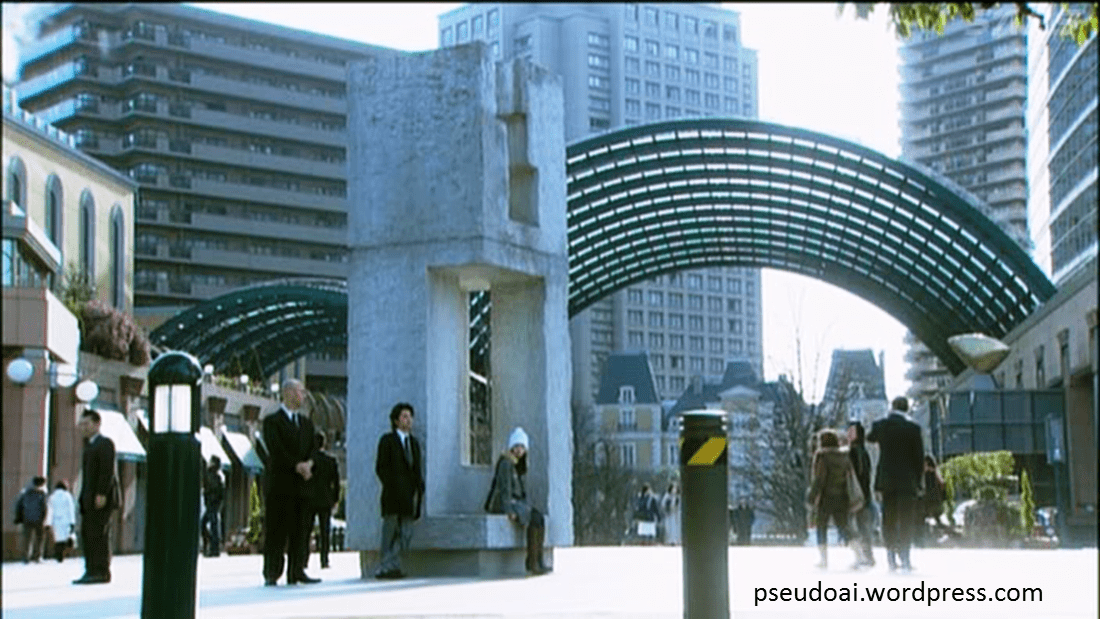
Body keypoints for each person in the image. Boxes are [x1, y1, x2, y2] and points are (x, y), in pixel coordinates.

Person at [261, 379, 320, 586]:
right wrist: (297, 465)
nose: (302, 395)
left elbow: (314, 448)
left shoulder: (306, 423)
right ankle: (272, 571)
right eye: (299, 391)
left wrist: (309, 464)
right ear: (286, 393)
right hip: (280, 486)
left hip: (302, 487)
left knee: (301, 531)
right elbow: (276, 450)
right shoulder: (272, 422)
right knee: (276, 531)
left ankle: (297, 570)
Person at [867, 396, 925, 572]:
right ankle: (905, 557)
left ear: (892, 407)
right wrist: (918, 481)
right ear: (907, 409)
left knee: (888, 519)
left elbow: (870, 437)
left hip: (887, 481)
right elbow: (919, 458)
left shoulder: (882, 425)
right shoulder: (913, 429)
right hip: (907, 481)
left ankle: (891, 556)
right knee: (906, 519)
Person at [484, 427, 551, 575]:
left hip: (516, 502)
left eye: (522, 447)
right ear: (512, 447)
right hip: (505, 503)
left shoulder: (518, 464)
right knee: (534, 519)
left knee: (538, 517)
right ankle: (532, 562)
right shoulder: (506, 463)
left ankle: (537, 559)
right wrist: (509, 510)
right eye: (517, 446)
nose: (520, 450)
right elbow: (504, 489)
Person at [374, 402, 424, 580]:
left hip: (409, 497)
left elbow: (417, 470)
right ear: (396, 420)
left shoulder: (414, 443)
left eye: (410, 416)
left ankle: (392, 564)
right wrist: (392, 485)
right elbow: (381, 467)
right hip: (392, 496)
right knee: (389, 534)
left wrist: (419, 490)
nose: (408, 420)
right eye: (404, 416)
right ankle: (386, 567)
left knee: (406, 535)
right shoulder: (387, 441)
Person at [74, 409, 120, 584]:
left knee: (99, 534)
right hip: (88, 498)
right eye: (81, 424)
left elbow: (107, 472)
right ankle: (90, 569)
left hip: (102, 498)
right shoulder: (89, 445)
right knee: (88, 534)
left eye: (86, 424)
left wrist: (101, 493)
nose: (83, 427)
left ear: (97, 424)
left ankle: (101, 571)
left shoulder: (105, 443)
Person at [808, 429, 861, 569]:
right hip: (842, 497)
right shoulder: (844, 456)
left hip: (826, 497)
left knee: (821, 527)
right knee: (844, 527)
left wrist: (811, 497)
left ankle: (823, 560)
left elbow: (819, 479)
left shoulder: (822, 456)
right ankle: (858, 554)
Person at [307, 431, 340, 569]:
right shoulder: (330, 461)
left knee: (306, 531)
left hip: (309, 499)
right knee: (324, 531)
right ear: (324, 443)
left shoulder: (309, 461)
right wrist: (335, 499)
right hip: (325, 499)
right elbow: (336, 483)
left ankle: (304, 560)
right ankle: (324, 560)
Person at [847, 421, 876, 568]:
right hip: (864, 494)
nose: (848, 434)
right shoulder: (862, 451)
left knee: (859, 527)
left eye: (851, 432)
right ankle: (866, 556)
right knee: (862, 527)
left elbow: (858, 475)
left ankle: (864, 557)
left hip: (858, 495)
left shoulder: (855, 452)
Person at [14, 476, 48, 563]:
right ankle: (37, 556)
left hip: (27, 518)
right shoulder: (42, 493)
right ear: (41, 484)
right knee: (39, 539)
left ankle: (25, 557)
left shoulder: (26, 492)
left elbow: (19, 505)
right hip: (39, 519)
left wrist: (18, 517)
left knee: (27, 539)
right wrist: (45, 519)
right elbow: (44, 507)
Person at [917, 455, 948, 546]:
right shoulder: (935, 473)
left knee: (922, 519)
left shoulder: (929, 474)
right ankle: (939, 535)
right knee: (935, 519)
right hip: (934, 502)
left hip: (930, 502)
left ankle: (925, 538)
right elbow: (942, 486)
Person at [201, 456, 226, 557]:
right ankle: (211, 546)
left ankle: (213, 548)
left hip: (212, 504)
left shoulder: (215, 476)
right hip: (212, 504)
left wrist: (212, 499)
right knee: (208, 525)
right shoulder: (214, 475)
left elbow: (216, 491)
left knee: (211, 525)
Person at [47, 480, 76, 563]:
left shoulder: (52, 497)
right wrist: (72, 522)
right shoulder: (67, 496)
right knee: (66, 539)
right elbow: (71, 509)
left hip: (56, 521)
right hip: (66, 521)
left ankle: (58, 555)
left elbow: (50, 511)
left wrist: (48, 523)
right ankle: (64, 554)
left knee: (58, 540)